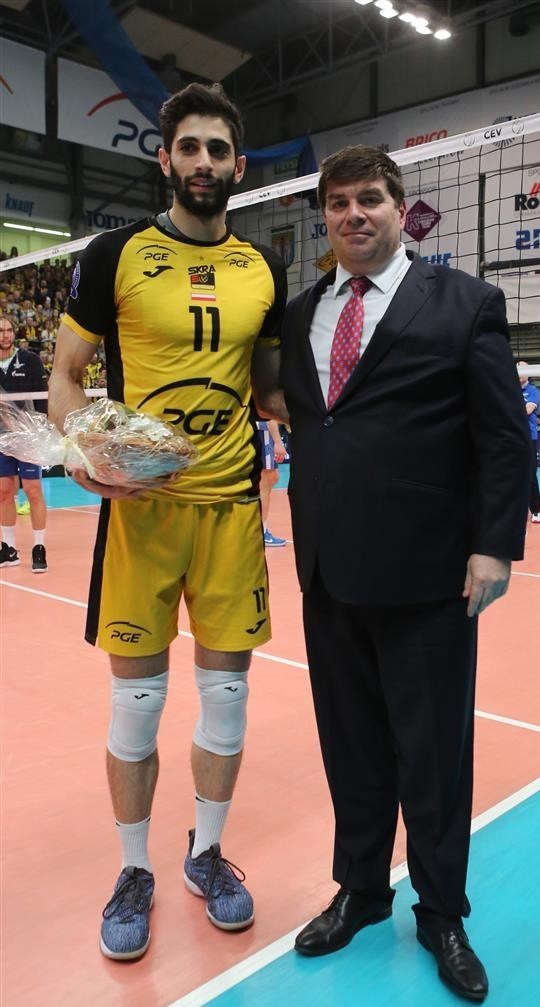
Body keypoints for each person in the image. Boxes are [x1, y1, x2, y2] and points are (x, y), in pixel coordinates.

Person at [280, 145, 530, 1002]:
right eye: (338, 202)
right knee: (350, 748)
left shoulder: (464, 302)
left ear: (399, 207)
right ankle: (359, 890)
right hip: (328, 571)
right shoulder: (301, 312)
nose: (354, 214)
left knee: (432, 756)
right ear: (324, 215)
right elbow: (310, 421)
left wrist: (493, 544)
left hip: (427, 575)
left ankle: (441, 911)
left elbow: (502, 436)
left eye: (370, 199)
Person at [48, 82, 286, 961]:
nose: (203, 162)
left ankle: (206, 854)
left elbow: (270, 391)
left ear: (238, 165)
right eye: (189, 147)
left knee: (226, 700)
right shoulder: (114, 254)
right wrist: (82, 450)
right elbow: (66, 374)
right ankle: (133, 869)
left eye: (217, 149)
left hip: (230, 513)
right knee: (137, 706)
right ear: (165, 159)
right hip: (142, 517)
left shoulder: (264, 268)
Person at [0, 315, 49, 572]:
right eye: (0, 331)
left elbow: (42, 399)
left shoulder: (30, 360)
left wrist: (42, 432)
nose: (5, 335)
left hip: (28, 437)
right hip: (0, 439)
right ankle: (8, 550)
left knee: (33, 490)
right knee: (4, 492)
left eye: (8, 330)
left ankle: (39, 547)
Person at [257, 418, 287, 547]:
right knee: (266, 481)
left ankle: (259, 530)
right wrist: (278, 443)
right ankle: (261, 532)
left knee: (273, 477)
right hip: (263, 431)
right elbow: (270, 416)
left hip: (261, 431)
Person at [518, 362, 540, 523]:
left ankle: (535, 511)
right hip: (510, 438)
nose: (520, 373)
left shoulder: (533, 391)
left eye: (523, 369)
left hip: (528, 437)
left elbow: (528, 410)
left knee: (530, 474)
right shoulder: (508, 388)